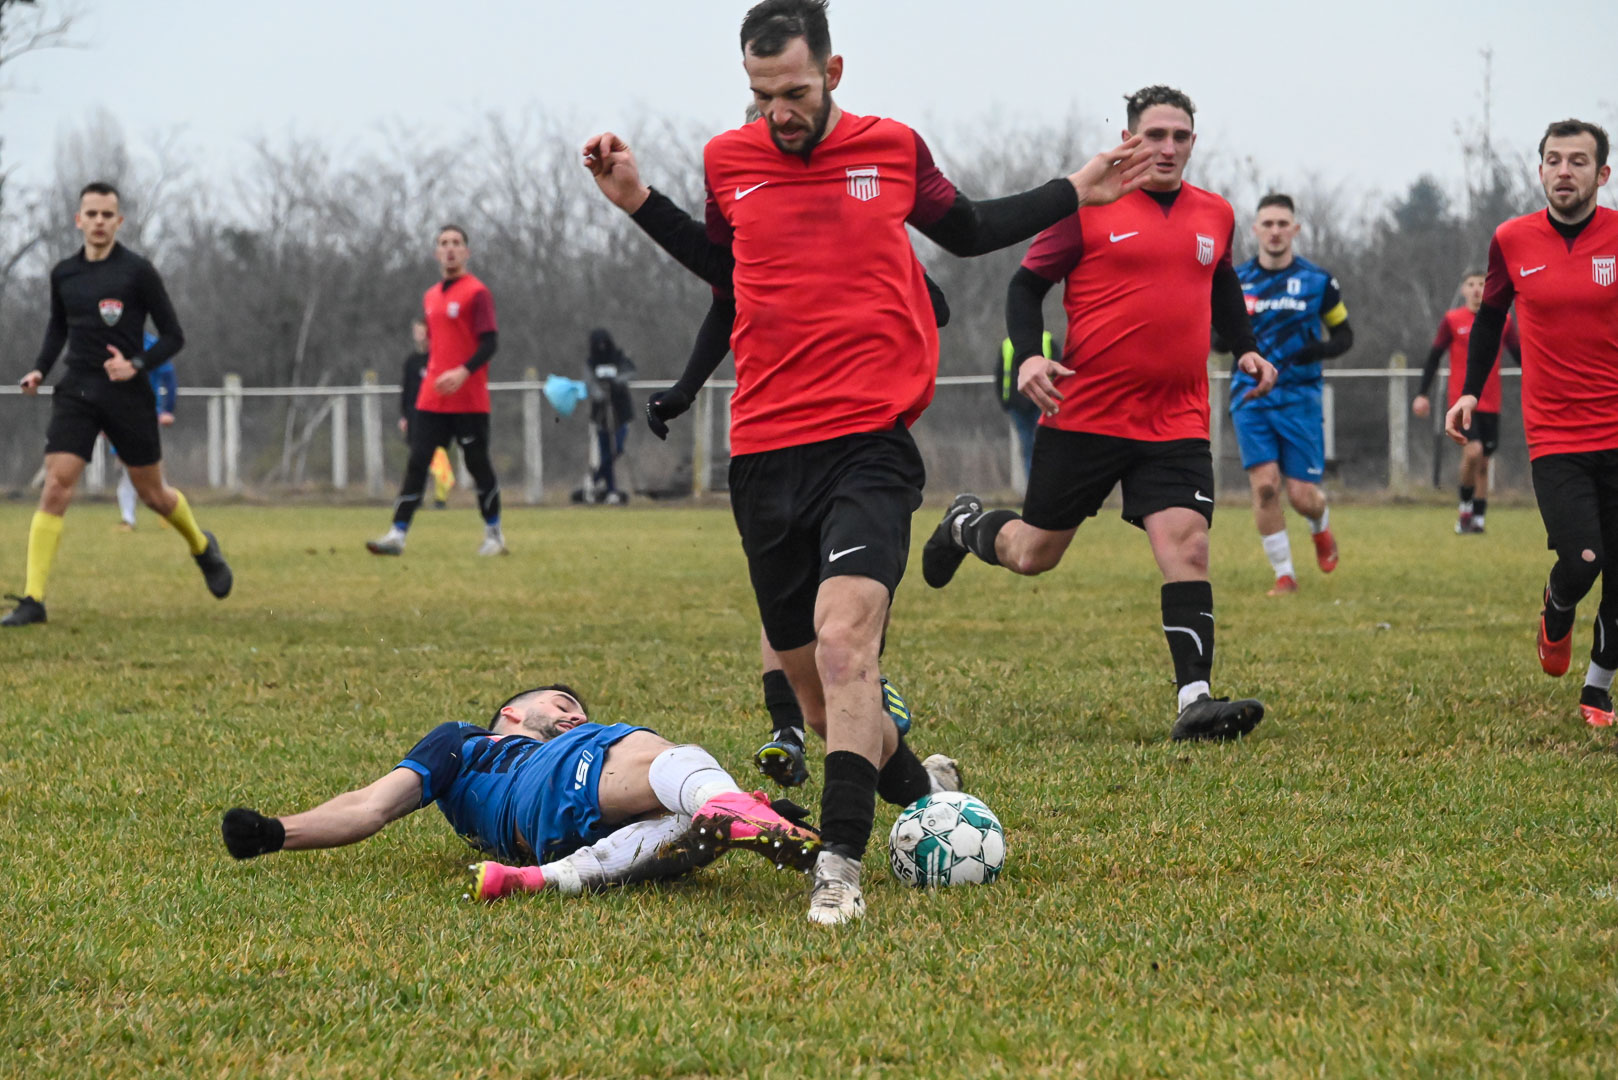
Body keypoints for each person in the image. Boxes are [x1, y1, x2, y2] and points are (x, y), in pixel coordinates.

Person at [582, 0, 1153, 924]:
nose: (780, 112)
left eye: (796, 92)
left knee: (848, 645)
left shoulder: (891, 149)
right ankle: (921, 788)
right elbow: (727, 274)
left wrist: (1073, 189)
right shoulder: (728, 161)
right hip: (763, 455)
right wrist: (639, 201)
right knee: (818, 705)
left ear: (834, 72)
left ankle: (839, 867)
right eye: (763, 94)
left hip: (868, 445)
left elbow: (967, 228)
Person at [922, 85, 1277, 742]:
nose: (1167, 147)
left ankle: (1195, 699)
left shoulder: (1217, 213)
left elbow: (1223, 283)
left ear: (1193, 143)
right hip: (1085, 415)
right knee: (1034, 554)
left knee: (1188, 545)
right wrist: (1031, 356)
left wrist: (1247, 347)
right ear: (1129, 139)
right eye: (1155, 135)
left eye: (1180, 136)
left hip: (1175, 419)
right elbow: (1024, 286)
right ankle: (965, 525)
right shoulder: (1088, 205)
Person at [220, 683, 925, 901]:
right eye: (560, 703)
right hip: (546, 788)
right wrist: (281, 829)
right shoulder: (468, 741)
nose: (573, 714)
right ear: (510, 712)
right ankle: (736, 806)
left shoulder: (509, 763)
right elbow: (371, 805)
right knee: (669, 756)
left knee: (678, 825)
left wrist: (273, 836)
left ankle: (541, 881)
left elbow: (371, 809)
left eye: (577, 710)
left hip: (547, 837)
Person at [1445, 118, 1618, 730]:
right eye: (1553, 160)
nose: (1564, 171)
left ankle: (1597, 689)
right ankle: (1558, 601)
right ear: (1540, 169)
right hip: (1556, 434)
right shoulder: (1512, 239)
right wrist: (1469, 391)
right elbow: (1491, 318)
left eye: (1578, 161)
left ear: (1602, 173)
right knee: (1585, 558)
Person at [5, 181, 231, 628]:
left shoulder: (137, 272)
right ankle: (33, 599)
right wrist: (40, 369)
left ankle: (203, 547)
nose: (99, 222)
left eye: (107, 215)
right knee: (56, 485)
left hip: (127, 394)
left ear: (119, 221)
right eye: (91, 214)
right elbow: (57, 328)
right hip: (78, 390)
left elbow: (174, 336)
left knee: (154, 495)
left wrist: (137, 364)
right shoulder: (64, 274)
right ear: (78, 220)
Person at [1228, 193, 1352, 595]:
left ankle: (1320, 524)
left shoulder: (1318, 282)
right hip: (1250, 397)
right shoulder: (1236, 282)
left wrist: (1316, 350)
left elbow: (1344, 335)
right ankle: (1284, 574)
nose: (1275, 231)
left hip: (1300, 398)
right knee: (1265, 486)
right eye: (1268, 224)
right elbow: (1217, 335)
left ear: (1295, 229)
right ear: (1255, 230)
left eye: (1283, 223)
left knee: (1301, 496)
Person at [368, 225, 505, 557]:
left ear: (467, 252)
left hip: (469, 399)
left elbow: (490, 344)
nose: (450, 248)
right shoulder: (430, 296)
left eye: (456, 243)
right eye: (444, 243)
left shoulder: (477, 293)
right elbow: (438, 346)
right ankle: (397, 534)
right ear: (436, 253)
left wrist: (463, 371)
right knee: (417, 462)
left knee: (477, 464)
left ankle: (494, 534)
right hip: (432, 399)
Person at [1413, 271, 1521, 534]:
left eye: (1482, 284)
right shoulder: (1452, 320)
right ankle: (1464, 510)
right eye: (1471, 284)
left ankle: (1478, 519)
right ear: (1463, 289)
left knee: (1483, 462)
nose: (1476, 289)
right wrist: (1422, 393)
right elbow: (1434, 356)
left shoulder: (1503, 321)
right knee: (1473, 452)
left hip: (1491, 403)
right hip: (1462, 402)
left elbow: (1521, 355)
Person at [113, 331, 176, 530]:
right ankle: (129, 519)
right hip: (118, 414)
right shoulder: (113, 342)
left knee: (146, 467)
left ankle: (167, 508)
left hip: (146, 414)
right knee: (128, 467)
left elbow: (169, 377)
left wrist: (167, 410)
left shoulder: (152, 345)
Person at [399, 317, 456, 510]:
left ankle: (441, 497)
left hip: (434, 414)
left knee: (438, 456)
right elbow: (406, 390)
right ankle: (416, 497)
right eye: (416, 331)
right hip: (414, 415)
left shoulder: (437, 359)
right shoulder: (411, 362)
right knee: (417, 458)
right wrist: (404, 416)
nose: (419, 335)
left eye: (422, 331)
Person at [997, 333, 1047, 481]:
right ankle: (1032, 485)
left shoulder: (1047, 341)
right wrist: (1005, 402)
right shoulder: (1007, 345)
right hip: (1018, 405)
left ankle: (1043, 483)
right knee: (1028, 447)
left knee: (1042, 447)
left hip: (1042, 403)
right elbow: (1000, 375)